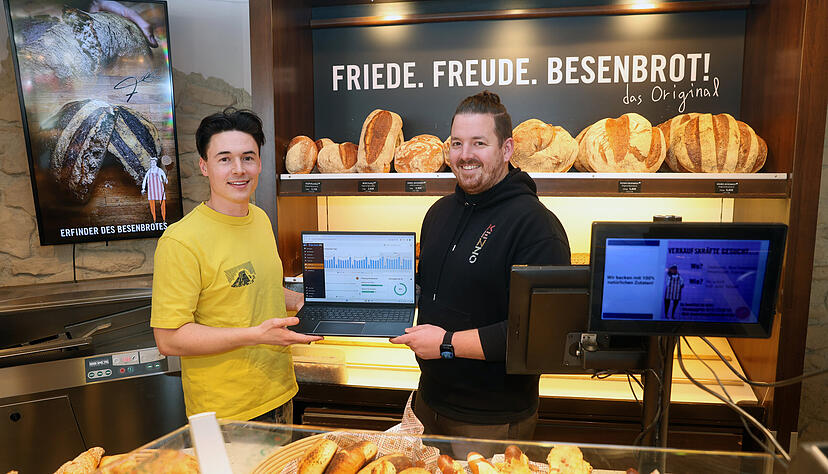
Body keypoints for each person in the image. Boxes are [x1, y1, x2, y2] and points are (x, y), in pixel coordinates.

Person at [390, 91, 571, 449]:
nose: (464, 155)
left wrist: (445, 344)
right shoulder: (439, 214)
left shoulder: (536, 226)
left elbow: (538, 335)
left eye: (479, 143)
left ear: (506, 149)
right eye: (456, 143)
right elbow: (434, 292)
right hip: (428, 405)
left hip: (491, 423)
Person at [151, 108, 321, 422]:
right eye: (225, 159)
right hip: (226, 413)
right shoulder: (181, 242)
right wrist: (255, 334)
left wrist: (301, 301)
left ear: (259, 163)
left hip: (280, 392)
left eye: (248, 157)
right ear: (204, 166)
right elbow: (169, 338)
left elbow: (254, 284)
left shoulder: (259, 219)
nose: (238, 170)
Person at [141, 157, 168, 222]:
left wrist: (166, 180)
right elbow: (145, 180)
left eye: (153, 162)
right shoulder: (149, 171)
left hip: (159, 190)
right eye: (151, 163)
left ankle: (164, 219)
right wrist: (143, 188)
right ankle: (154, 219)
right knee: (152, 205)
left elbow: (164, 177)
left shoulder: (159, 170)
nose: (152, 164)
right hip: (151, 191)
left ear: (156, 163)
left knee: (162, 204)